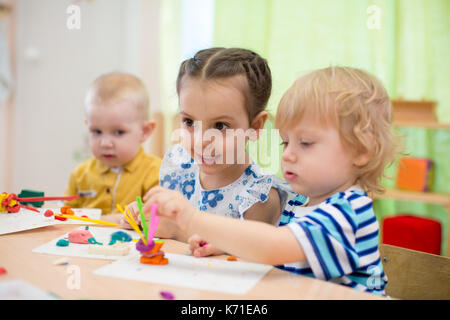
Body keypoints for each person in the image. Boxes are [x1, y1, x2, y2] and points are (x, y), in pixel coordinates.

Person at [142, 66, 399, 296]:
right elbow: (279, 255)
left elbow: (274, 247)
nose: (287, 154)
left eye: (306, 143)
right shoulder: (300, 204)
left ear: (361, 152)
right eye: (286, 142)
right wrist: (225, 245)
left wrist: (192, 218)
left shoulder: (348, 212)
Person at [122, 48, 294, 256]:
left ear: (256, 126)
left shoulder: (258, 196)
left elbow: (249, 253)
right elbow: (160, 221)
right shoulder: (179, 169)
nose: (201, 140)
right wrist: (142, 216)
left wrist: (176, 230)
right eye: (189, 122)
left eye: (220, 125)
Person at [64, 72, 162, 220]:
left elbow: (159, 221)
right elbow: (65, 218)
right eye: (96, 131)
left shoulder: (156, 173)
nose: (105, 143)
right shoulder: (80, 175)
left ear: (144, 131)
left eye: (118, 132)